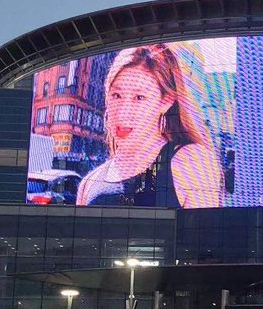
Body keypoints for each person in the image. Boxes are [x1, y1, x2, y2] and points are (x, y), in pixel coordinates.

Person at [76, 44, 223, 208]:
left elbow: (205, 231)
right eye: (116, 95)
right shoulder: (89, 183)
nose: (123, 112)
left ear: (166, 102)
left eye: (139, 97)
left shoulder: (190, 161)